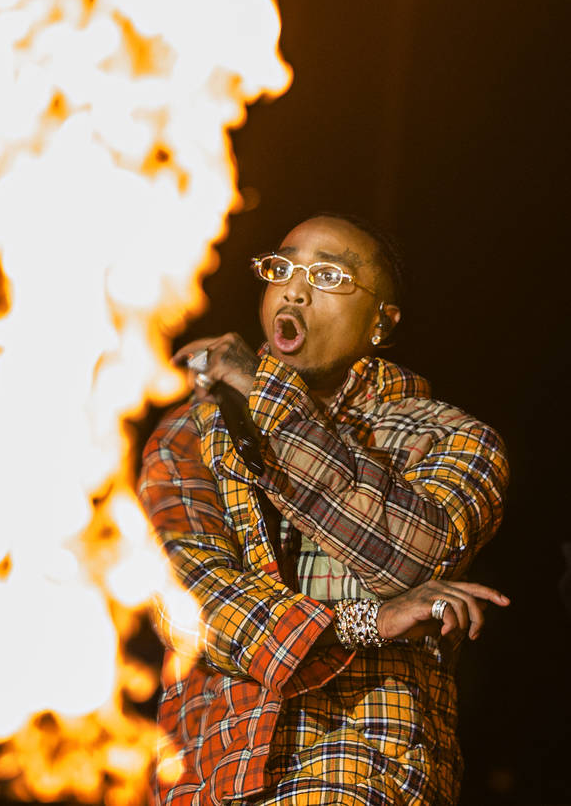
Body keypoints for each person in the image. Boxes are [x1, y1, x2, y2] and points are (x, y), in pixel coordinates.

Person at [139, 213, 509, 806]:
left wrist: (266, 400)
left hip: (365, 759)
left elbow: (410, 558)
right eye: (282, 268)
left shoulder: (452, 438)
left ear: (381, 323)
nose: (295, 288)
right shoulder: (190, 434)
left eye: (329, 275)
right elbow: (188, 598)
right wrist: (363, 623)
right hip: (209, 772)